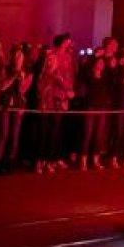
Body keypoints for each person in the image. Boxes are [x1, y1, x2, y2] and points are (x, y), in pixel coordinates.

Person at [35, 34, 75, 173]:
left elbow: (69, 75)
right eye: (68, 41)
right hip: (48, 96)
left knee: (56, 130)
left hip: (61, 98)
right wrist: (65, 86)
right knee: (44, 130)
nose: (70, 43)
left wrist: (69, 90)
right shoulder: (51, 55)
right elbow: (51, 74)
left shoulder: (68, 58)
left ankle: (53, 159)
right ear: (62, 42)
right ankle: (41, 160)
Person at [0, 45, 32, 172]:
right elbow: (2, 87)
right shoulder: (6, 69)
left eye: (20, 56)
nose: (18, 58)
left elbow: (22, 90)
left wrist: (22, 80)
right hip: (6, 105)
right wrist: (14, 76)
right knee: (4, 134)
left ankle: (10, 161)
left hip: (18, 105)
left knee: (15, 135)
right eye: (16, 56)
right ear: (12, 57)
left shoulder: (26, 71)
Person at [78, 56, 112, 170]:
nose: (102, 64)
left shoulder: (105, 76)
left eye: (103, 63)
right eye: (100, 62)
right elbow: (84, 88)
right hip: (91, 106)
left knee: (99, 135)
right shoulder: (89, 75)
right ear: (95, 64)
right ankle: (83, 159)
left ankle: (95, 159)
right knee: (88, 133)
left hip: (102, 107)